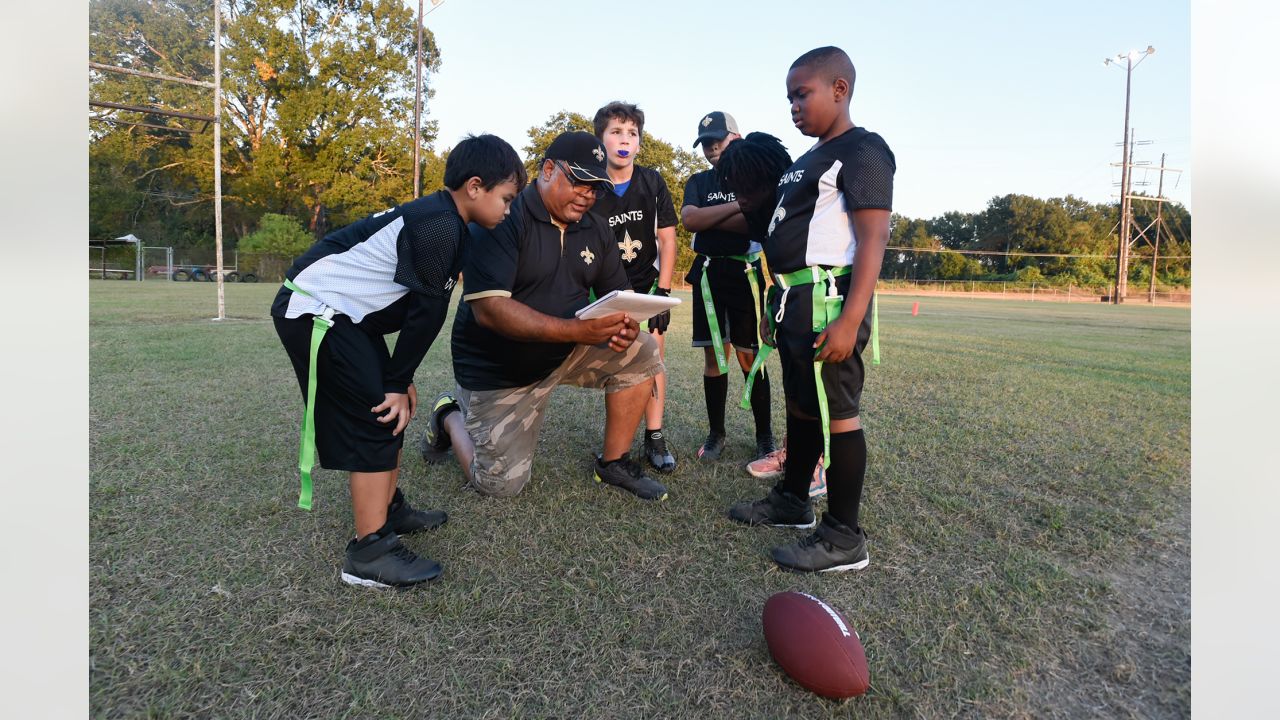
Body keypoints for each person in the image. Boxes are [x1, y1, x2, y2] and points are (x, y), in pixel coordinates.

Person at [273, 134, 527, 588]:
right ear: (474, 186)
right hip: (316, 310)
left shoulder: (447, 221)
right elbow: (425, 315)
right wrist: (395, 378)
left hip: (349, 317)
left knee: (394, 407)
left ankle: (388, 509)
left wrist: (399, 377)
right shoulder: (439, 225)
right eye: (506, 198)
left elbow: (409, 310)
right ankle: (368, 552)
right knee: (377, 412)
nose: (508, 209)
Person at [419, 131, 669, 502]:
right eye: (579, 181)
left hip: (566, 348)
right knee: (499, 486)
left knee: (644, 349)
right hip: (501, 369)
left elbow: (618, 297)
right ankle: (449, 415)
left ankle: (613, 462)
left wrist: (625, 325)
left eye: (596, 187)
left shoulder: (596, 226)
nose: (587, 194)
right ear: (548, 169)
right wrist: (577, 330)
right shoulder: (503, 212)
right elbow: (490, 311)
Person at [721, 46, 896, 574]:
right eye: (789, 97)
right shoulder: (804, 163)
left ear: (839, 90)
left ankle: (844, 536)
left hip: (829, 301)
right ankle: (794, 500)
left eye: (803, 94)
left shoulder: (863, 150)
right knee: (800, 404)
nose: (794, 106)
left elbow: (873, 238)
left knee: (837, 413)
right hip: (795, 301)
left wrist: (849, 318)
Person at [588, 101, 679, 473]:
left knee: (654, 355)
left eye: (632, 133)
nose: (624, 139)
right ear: (601, 140)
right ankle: (617, 439)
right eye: (616, 132)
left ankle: (654, 436)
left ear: (639, 143)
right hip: (607, 290)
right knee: (619, 359)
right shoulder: (592, 184)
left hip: (646, 288)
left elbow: (668, 240)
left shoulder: (652, 181)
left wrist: (662, 291)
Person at [681, 111, 776, 464]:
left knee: (750, 357)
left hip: (744, 275)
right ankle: (717, 433)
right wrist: (737, 207)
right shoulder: (698, 180)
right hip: (707, 275)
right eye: (705, 142)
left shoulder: (754, 178)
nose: (711, 147)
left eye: (718, 140)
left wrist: (714, 219)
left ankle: (764, 435)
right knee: (714, 357)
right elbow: (691, 220)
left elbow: (755, 226)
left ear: (737, 138)